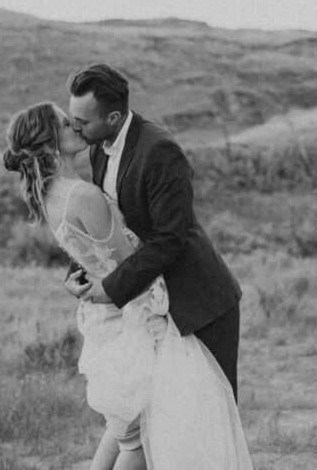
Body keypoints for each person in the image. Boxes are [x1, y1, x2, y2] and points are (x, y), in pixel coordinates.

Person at [4, 102, 251, 470]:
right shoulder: (82, 195)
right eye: (62, 121)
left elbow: (87, 251)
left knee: (125, 430)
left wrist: (82, 277)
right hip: (135, 316)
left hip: (105, 316)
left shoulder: (52, 194)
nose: (73, 124)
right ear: (49, 140)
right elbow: (127, 264)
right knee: (142, 438)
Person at [66, 63, 243, 399]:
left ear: (114, 118)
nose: (75, 127)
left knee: (211, 411)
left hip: (198, 302)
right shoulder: (97, 148)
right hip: (155, 306)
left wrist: (114, 287)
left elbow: (168, 237)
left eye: (83, 122)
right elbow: (109, 222)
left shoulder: (159, 150)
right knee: (163, 413)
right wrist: (80, 271)